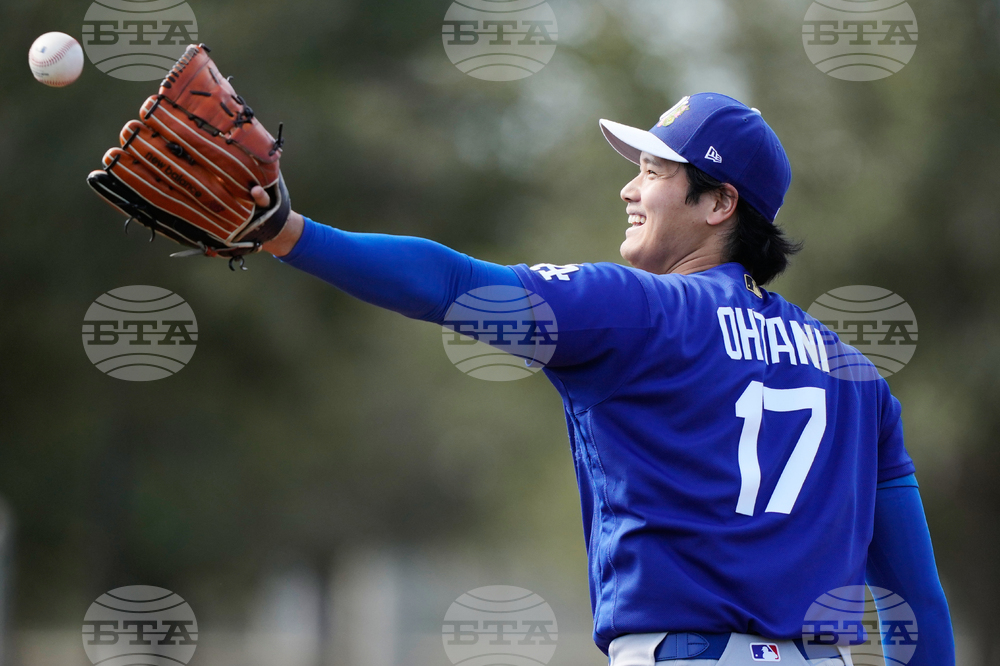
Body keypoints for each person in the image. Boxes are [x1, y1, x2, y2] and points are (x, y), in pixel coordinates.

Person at [252, 93, 955, 666]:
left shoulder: (643, 311)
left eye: (653, 171)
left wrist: (289, 233)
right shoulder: (857, 379)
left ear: (718, 205)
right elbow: (916, 604)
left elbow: (455, 283)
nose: (629, 187)